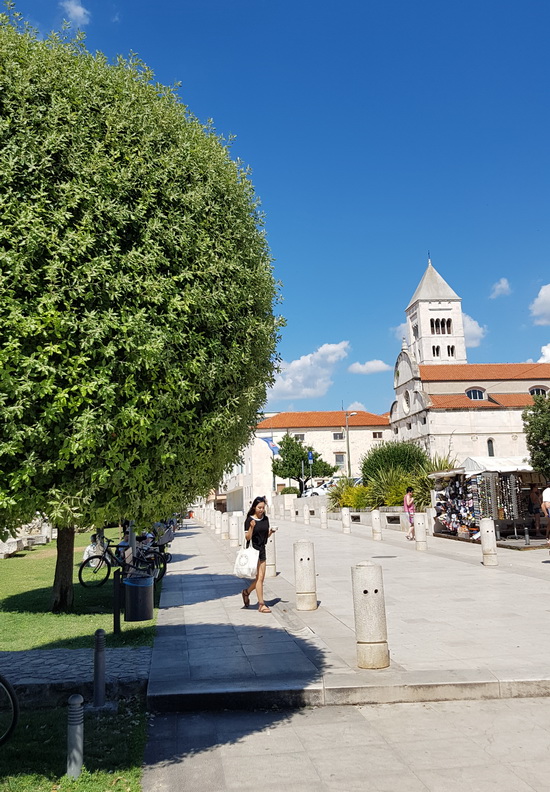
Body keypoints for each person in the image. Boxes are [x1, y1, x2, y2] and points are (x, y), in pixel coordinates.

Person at [241, 496, 275, 613]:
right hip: (253, 550)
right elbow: (247, 537)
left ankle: (246, 592)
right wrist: (251, 527)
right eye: (259, 507)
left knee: (261, 578)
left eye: (263, 508)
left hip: (262, 550)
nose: (261, 510)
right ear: (254, 507)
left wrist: (270, 532)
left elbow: (265, 536)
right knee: (259, 578)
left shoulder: (265, 519)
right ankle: (261, 604)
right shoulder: (249, 520)